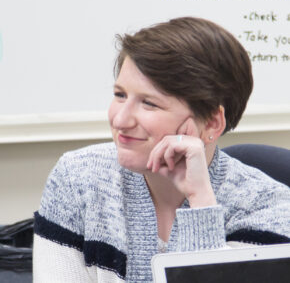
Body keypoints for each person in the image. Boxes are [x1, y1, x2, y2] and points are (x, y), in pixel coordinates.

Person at [33, 17, 290, 282]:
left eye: (149, 103)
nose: (120, 120)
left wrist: (200, 202)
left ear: (212, 122)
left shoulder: (269, 208)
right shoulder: (77, 177)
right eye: (120, 95)